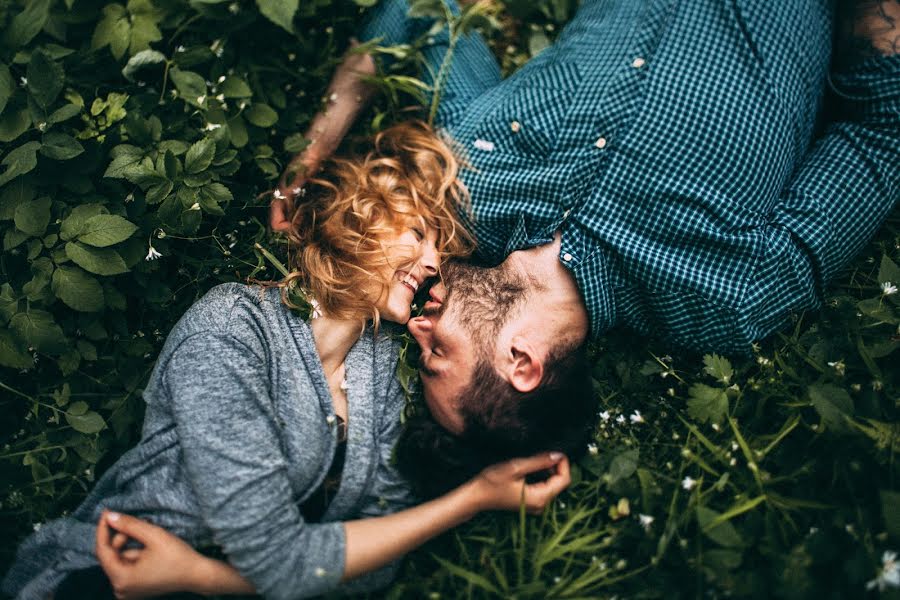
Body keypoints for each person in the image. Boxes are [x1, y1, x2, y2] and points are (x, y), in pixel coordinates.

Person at [2, 122, 596, 600]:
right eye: (417, 232)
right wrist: (471, 500)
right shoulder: (234, 327)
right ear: (357, 216)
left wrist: (198, 577)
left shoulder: (381, 377)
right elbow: (287, 564)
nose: (433, 263)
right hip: (106, 575)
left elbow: (369, 569)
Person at [271, 0, 900, 438]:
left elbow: (422, 9)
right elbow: (882, 132)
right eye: (438, 355)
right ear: (523, 364)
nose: (417, 331)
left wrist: (313, 153)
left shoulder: (465, 187)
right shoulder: (731, 297)